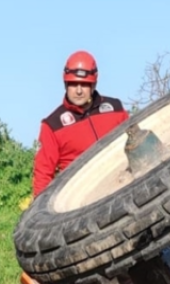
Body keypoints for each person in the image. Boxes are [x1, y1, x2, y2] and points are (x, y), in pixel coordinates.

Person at [32, 50, 128, 196]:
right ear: (65, 84)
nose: (78, 91)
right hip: (79, 198)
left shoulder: (115, 109)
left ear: (93, 85)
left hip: (122, 183)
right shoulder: (52, 125)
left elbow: (133, 141)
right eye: (73, 84)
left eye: (84, 84)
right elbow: (43, 174)